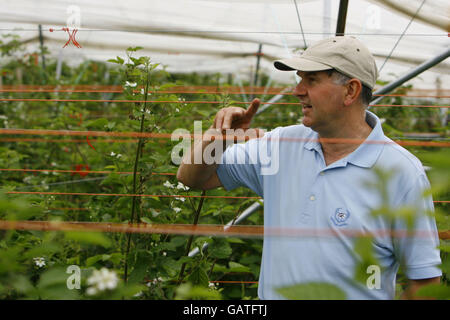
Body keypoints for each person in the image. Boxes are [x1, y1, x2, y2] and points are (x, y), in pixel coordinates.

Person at [177, 36, 442, 299]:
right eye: (300, 78)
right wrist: (216, 137)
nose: (297, 90)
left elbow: (425, 283)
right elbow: (192, 178)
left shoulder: (401, 172)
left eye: (311, 80)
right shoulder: (280, 146)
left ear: (350, 91)